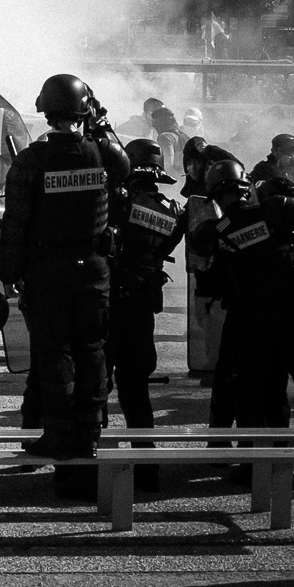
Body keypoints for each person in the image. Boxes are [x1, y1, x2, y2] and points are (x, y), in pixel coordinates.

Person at [0, 74, 130, 468]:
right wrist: (100, 122)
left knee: (54, 353)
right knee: (91, 350)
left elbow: (15, 222)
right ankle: (89, 435)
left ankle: (58, 436)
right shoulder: (101, 154)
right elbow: (123, 166)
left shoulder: (31, 160)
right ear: (83, 110)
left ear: (46, 110)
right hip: (93, 269)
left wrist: (10, 271)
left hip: (47, 271)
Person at [193, 159, 294, 444]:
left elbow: (208, 274)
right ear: (245, 188)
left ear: (216, 196)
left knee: (251, 391)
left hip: (249, 323)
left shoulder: (219, 229)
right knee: (278, 386)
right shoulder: (274, 212)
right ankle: (284, 456)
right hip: (292, 317)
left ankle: (249, 459)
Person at [107, 138, 186, 491]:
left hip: (110, 303)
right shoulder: (171, 211)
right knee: (136, 390)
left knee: (97, 387)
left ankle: (94, 468)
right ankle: (146, 467)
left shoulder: (119, 202)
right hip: (142, 306)